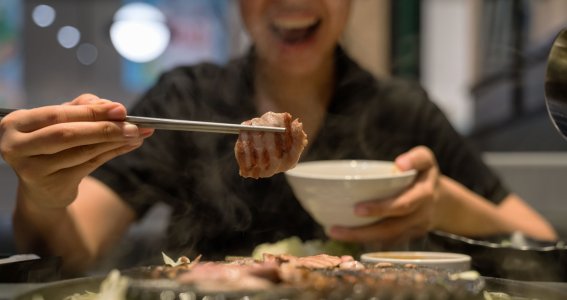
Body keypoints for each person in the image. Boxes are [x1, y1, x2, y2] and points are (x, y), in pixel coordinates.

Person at [0, 0, 557, 275]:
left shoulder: (401, 110)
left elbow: (540, 244)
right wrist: (46, 189)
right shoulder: (185, 98)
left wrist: (444, 206)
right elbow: (72, 249)